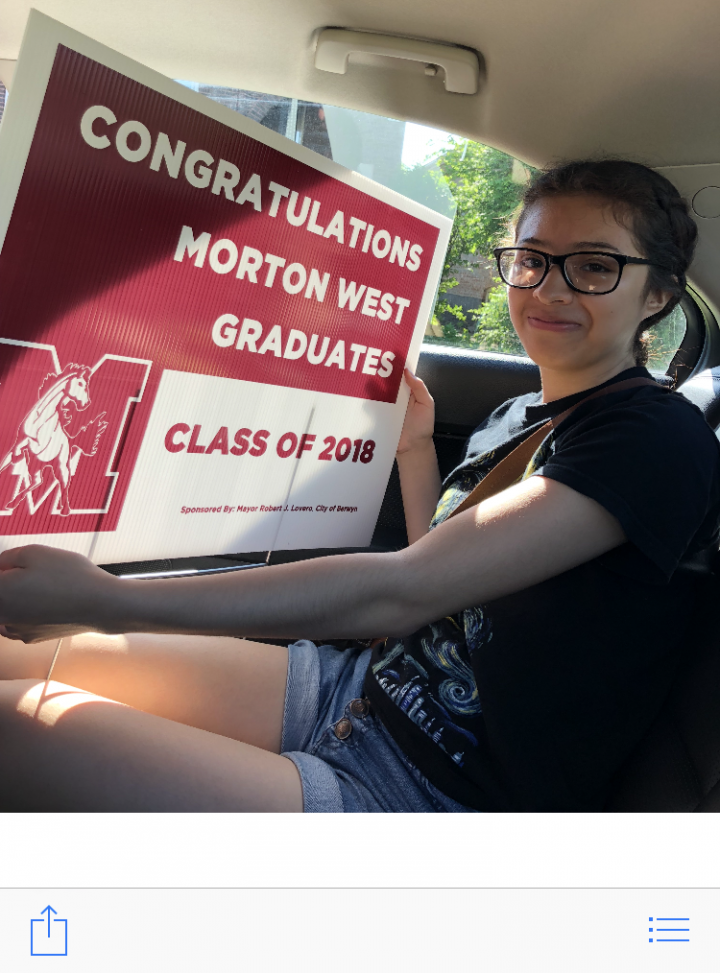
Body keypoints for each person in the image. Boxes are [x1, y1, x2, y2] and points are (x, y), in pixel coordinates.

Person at [0, 159, 718, 812]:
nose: (548, 288)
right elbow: (446, 578)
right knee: (14, 658)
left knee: (21, 721)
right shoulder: (518, 415)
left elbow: (407, 589)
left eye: (592, 266)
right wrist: (414, 451)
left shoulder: (654, 438)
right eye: (531, 260)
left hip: (427, 788)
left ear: (658, 292)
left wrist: (108, 601)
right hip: (355, 685)